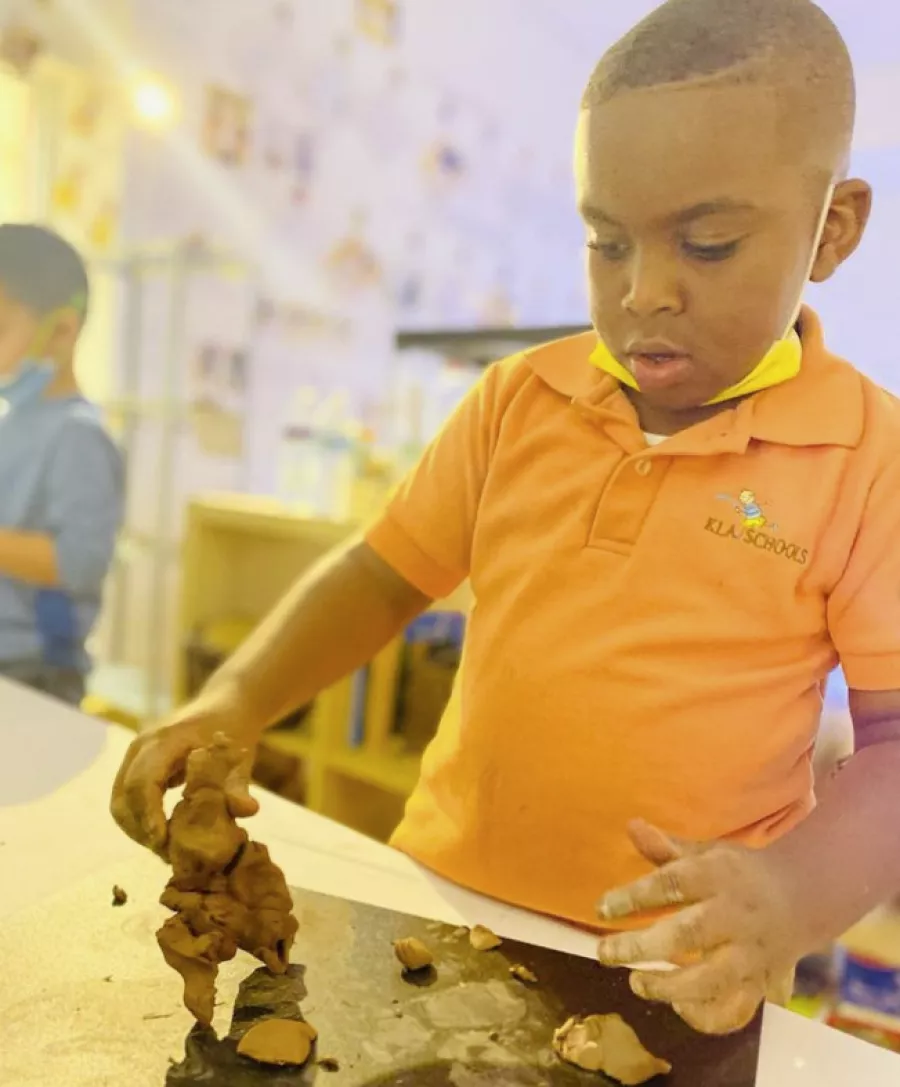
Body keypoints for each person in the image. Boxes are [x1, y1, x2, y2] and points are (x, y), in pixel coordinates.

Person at [112, 0, 900, 1034]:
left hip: (672, 966)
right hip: (437, 903)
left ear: (832, 230)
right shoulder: (520, 398)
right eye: (605, 242)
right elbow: (380, 574)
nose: (644, 291)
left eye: (706, 245)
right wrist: (234, 696)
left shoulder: (869, 459)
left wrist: (793, 897)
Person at [0, 224, 123, 705]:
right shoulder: (13, 424)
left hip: (37, 669)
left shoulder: (78, 435)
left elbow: (79, 562)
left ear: (63, 331)